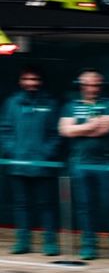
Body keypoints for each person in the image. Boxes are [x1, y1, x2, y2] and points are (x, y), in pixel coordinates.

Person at [58, 68, 109, 261]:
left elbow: (104, 129)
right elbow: (65, 131)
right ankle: (89, 246)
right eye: (88, 84)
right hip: (80, 163)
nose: (92, 88)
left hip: (106, 162)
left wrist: (79, 128)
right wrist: (91, 125)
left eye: (96, 85)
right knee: (84, 207)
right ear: (81, 86)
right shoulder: (71, 105)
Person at [0, 65, 61, 255]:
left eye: (34, 80)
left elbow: (56, 134)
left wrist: (45, 154)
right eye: (27, 79)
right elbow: (4, 130)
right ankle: (22, 242)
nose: (31, 83)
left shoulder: (51, 103)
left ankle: (50, 243)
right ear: (21, 82)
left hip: (43, 166)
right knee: (21, 205)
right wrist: (13, 152)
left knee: (47, 205)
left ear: (40, 82)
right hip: (18, 165)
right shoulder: (12, 103)